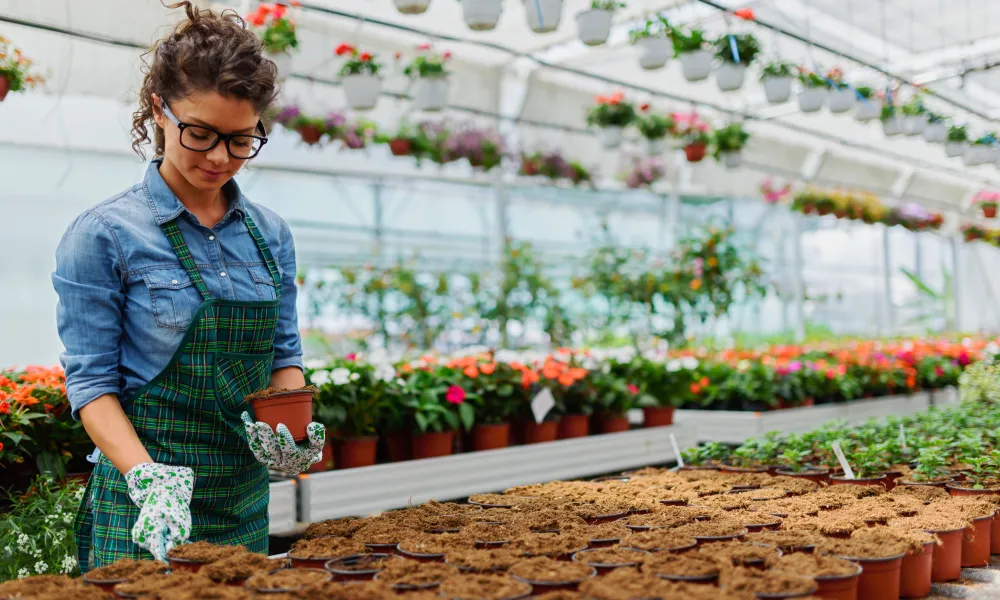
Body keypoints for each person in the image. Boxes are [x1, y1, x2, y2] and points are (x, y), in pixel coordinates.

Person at [52, 1, 325, 571]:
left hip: (241, 499)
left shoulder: (270, 234)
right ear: (159, 109)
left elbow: (283, 355)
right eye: (199, 133)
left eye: (242, 140)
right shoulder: (104, 234)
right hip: (143, 499)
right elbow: (92, 383)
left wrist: (288, 432)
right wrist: (147, 477)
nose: (221, 157)